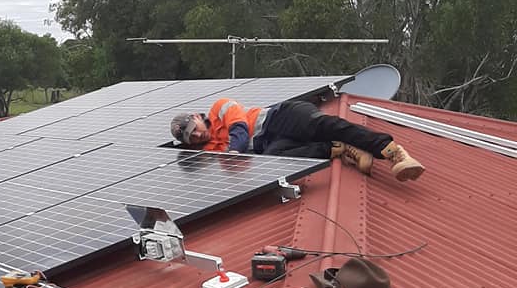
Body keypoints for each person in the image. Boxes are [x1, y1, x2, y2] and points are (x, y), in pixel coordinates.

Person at [170, 98, 424, 181]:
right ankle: (339, 149)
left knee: (322, 125)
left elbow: (239, 129)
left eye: (194, 128)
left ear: (196, 116)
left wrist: (234, 152)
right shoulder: (209, 151)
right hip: (269, 144)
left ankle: (392, 152)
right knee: (274, 162)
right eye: (192, 138)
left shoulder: (220, 108)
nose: (197, 135)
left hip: (279, 118)